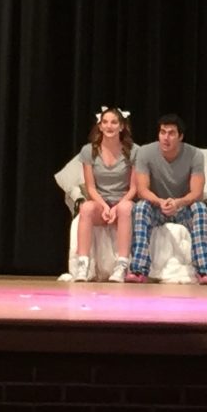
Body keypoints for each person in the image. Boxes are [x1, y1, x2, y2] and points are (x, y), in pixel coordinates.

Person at [127, 113, 207, 285]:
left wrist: (178, 203)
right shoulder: (145, 152)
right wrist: (160, 202)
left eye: (171, 133)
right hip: (157, 206)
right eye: (162, 132)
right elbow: (142, 190)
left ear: (180, 136)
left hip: (183, 207)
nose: (165, 137)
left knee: (200, 208)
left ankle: (205, 270)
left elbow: (197, 192)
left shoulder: (195, 155)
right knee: (140, 208)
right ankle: (138, 269)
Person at [73, 106, 138, 282]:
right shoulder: (89, 150)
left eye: (114, 122)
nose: (109, 126)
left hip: (122, 201)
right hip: (100, 201)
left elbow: (133, 188)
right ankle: (83, 265)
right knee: (86, 208)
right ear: (100, 126)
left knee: (125, 209)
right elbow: (91, 187)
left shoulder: (133, 151)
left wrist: (116, 207)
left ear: (122, 126)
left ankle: (121, 265)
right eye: (105, 122)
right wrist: (103, 206)